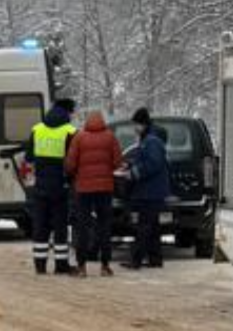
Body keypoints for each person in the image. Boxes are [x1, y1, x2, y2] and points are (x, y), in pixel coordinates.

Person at [65, 111, 123, 278]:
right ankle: (105, 266)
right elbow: (117, 162)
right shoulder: (110, 137)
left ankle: (82, 267)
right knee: (104, 226)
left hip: (83, 189)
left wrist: (75, 174)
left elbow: (70, 164)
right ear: (102, 122)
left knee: (83, 227)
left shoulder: (79, 138)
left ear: (87, 122)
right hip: (105, 188)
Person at [26, 99, 77, 275]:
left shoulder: (37, 129)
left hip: (40, 186)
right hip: (61, 186)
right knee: (60, 226)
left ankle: (40, 265)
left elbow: (29, 157)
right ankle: (61, 265)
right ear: (68, 112)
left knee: (41, 225)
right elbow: (74, 160)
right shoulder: (70, 131)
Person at [121, 108, 171, 270]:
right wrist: (129, 164)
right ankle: (155, 259)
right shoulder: (147, 140)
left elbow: (153, 164)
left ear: (142, 124)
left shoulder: (152, 141)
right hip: (151, 191)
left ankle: (136, 260)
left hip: (151, 192)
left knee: (144, 226)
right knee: (152, 226)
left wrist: (133, 173)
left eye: (136, 124)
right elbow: (144, 159)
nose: (134, 128)